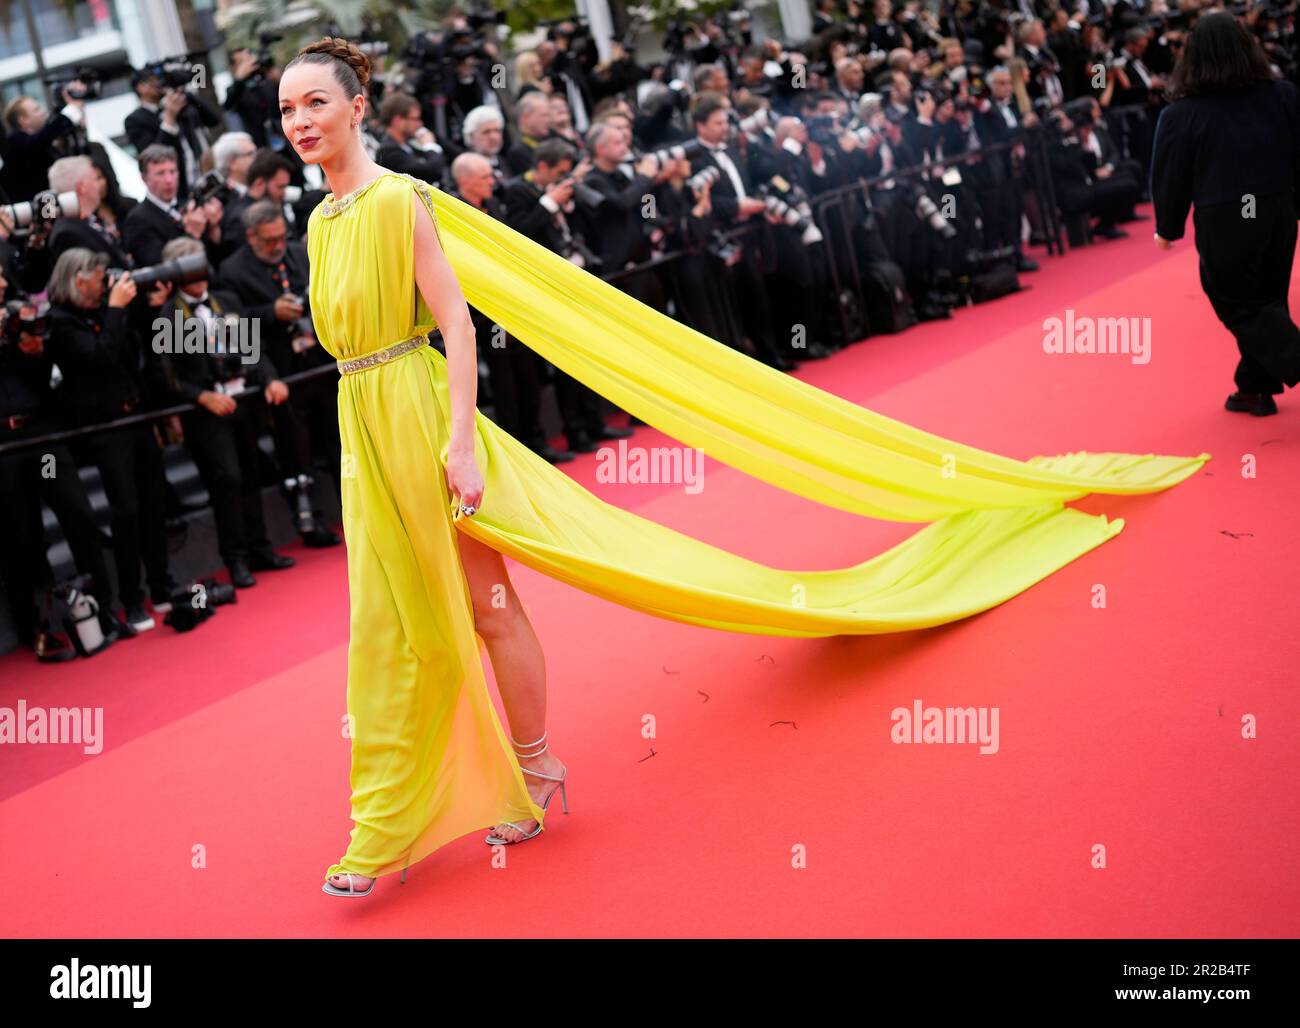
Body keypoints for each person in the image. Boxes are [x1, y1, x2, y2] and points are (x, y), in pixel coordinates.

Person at [284, 37, 1209, 900]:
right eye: (287, 108)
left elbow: (452, 323)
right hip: (362, 427)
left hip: (420, 412)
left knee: (489, 606)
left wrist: (457, 440)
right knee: (396, 622)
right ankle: (405, 812)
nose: (299, 120)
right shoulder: (319, 220)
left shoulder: (400, 199)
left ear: (359, 106)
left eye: (317, 101)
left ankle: (527, 768)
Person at [1150, 12, 1300, 415]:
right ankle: (1254, 387)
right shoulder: (1282, 94)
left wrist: (1167, 226)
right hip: (1277, 211)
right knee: (1268, 300)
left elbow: (1171, 173)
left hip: (1225, 219)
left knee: (1242, 304)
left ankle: (1284, 365)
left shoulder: (1181, 114)